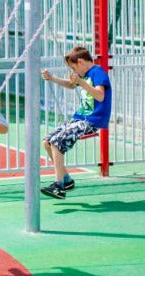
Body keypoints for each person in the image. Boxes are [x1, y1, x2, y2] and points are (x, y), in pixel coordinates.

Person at [40, 46, 112, 199]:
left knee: (57, 142)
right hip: (80, 117)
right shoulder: (84, 74)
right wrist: (52, 78)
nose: (75, 71)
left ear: (80, 62)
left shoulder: (97, 72)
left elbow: (100, 96)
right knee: (47, 141)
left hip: (92, 120)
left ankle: (59, 186)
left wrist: (81, 81)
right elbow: (72, 85)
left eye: (74, 67)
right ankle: (66, 180)